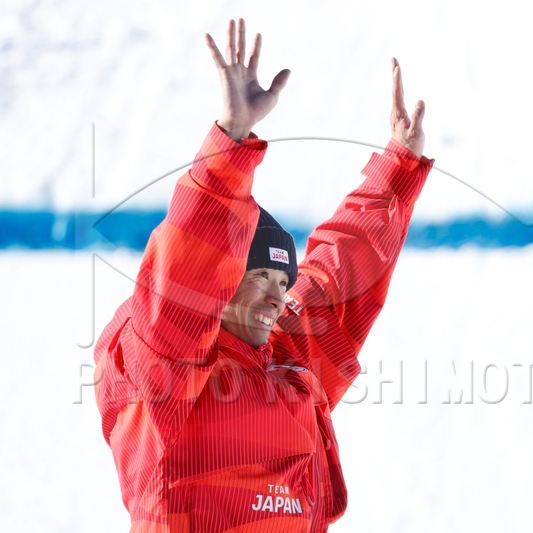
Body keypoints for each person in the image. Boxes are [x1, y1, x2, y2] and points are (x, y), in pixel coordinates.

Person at [93, 18, 433, 533]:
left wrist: (399, 166)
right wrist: (231, 138)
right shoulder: (166, 368)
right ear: (220, 281)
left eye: (282, 281)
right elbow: (185, 268)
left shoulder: (287, 356)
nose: (277, 297)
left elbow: (343, 267)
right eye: (259, 277)